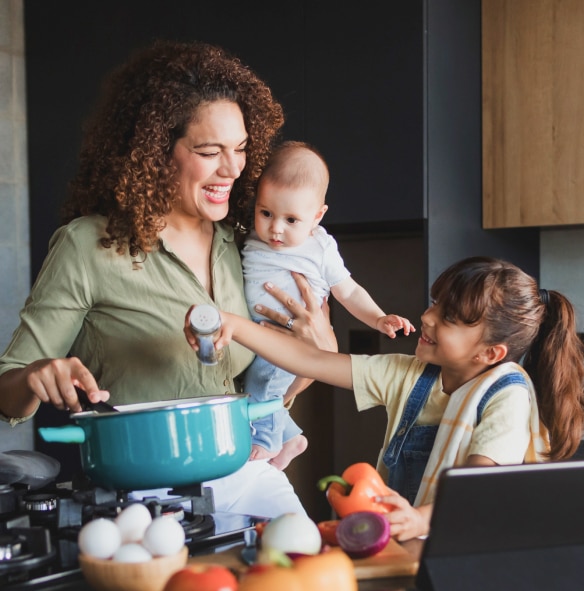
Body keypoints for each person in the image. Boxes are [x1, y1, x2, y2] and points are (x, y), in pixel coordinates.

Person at [0, 40, 337, 518]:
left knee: (310, 577)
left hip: (246, 474)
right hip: (143, 498)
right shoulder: (88, 247)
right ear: (157, 151)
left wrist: (312, 355)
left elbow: (271, 385)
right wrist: (36, 376)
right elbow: (5, 393)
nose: (233, 169)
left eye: (240, 148)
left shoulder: (244, 242)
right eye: (209, 151)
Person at [185, 256, 584, 540]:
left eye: (448, 318)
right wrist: (233, 325)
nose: (427, 317)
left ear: (490, 354)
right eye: (435, 304)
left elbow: (479, 489)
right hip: (405, 543)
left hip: (464, 555)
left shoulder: (507, 395)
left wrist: (419, 520)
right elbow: (310, 360)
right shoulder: (409, 376)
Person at [241, 140, 415, 467]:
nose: (275, 228)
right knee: (262, 389)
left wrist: (378, 318)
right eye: (265, 212)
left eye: (291, 220)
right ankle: (290, 438)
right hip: (260, 334)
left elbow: (347, 292)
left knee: (261, 385)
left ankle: (265, 442)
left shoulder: (319, 248)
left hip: (287, 339)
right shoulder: (253, 233)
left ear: (317, 216)